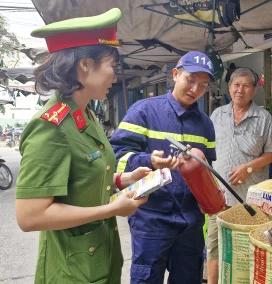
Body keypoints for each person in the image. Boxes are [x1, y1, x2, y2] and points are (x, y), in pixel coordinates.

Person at [15, 8, 157, 283]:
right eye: (111, 67)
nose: (114, 77)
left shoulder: (86, 114)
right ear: (85, 65)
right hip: (71, 271)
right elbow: (30, 216)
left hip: (97, 261)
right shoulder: (51, 126)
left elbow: (80, 180)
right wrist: (113, 209)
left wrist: (124, 179)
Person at [110, 51, 217, 283]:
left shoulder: (206, 125)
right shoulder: (143, 111)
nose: (195, 89)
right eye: (190, 80)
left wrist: (208, 199)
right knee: (147, 278)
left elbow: (207, 169)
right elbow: (116, 158)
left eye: (203, 85)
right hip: (151, 218)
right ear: (175, 74)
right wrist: (148, 160)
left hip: (190, 222)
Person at [207, 67, 272, 283]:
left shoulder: (264, 117)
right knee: (214, 245)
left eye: (246, 85)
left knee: (248, 248)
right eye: (236, 85)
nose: (240, 90)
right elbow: (207, 150)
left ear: (254, 89)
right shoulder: (217, 115)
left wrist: (248, 167)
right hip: (218, 197)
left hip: (250, 200)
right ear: (229, 87)